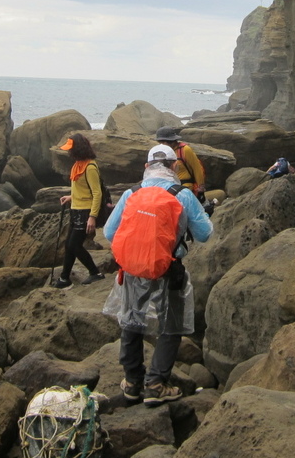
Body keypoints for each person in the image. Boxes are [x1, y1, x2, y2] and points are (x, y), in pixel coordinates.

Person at [103, 144, 213, 407]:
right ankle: (155, 384)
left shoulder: (132, 193)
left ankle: (132, 382)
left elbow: (109, 232)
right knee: (171, 326)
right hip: (169, 268)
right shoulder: (183, 195)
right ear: (175, 166)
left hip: (132, 269)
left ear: (146, 167)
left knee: (131, 320)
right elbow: (204, 234)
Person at [54, 133, 106, 289]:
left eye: (71, 149)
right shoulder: (77, 165)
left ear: (78, 149)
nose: (69, 153)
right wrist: (71, 197)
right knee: (69, 245)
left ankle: (95, 273)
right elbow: (81, 188)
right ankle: (64, 278)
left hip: (85, 211)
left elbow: (97, 193)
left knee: (75, 245)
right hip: (76, 209)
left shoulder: (90, 167)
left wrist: (92, 217)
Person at [154, 126, 206, 197]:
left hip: (185, 186)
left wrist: (200, 187)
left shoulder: (185, 150)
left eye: (162, 142)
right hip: (168, 186)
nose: (161, 144)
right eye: (159, 142)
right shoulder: (161, 151)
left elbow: (197, 168)